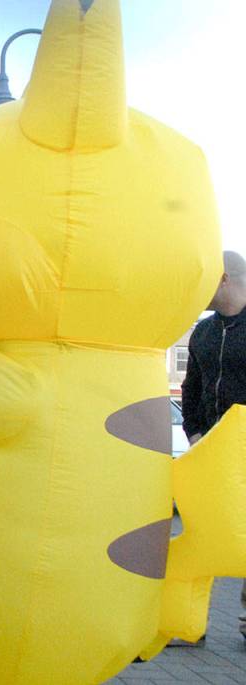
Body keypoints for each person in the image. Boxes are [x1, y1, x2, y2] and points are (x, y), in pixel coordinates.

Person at [181, 249, 246, 643]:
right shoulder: (204, 332)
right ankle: (190, 623)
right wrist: (193, 432)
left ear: (223, 279)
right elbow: (191, 389)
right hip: (209, 452)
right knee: (199, 533)